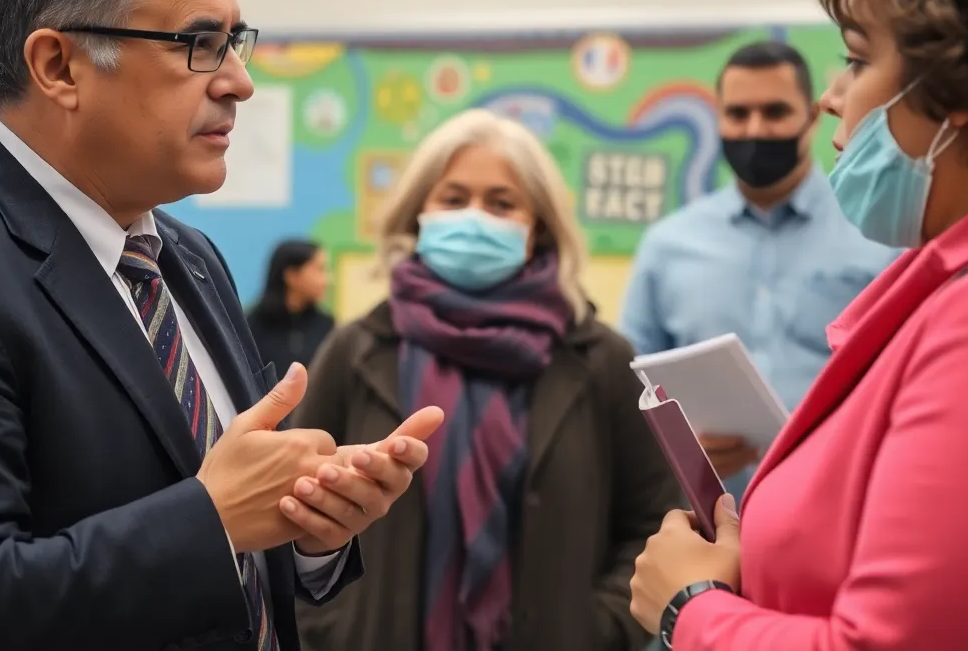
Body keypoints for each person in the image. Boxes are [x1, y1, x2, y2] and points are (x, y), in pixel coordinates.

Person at [0, 0, 444, 651]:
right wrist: (212, 517)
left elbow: (236, 548)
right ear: (59, 66)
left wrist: (309, 528)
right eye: (198, 44)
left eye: (237, 41)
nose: (238, 80)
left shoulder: (185, 258)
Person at [629, 0, 968, 651]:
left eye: (858, 61)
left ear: (954, 91)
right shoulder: (962, 275)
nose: (834, 97)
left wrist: (688, 607)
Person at [291, 108, 679, 651]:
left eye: (501, 203)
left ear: (536, 224)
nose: (475, 217)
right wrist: (331, 630)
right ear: (418, 211)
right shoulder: (357, 351)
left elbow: (654, 520)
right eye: (453, 198)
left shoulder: (599, 358)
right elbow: (296, 512)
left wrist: (599, 629)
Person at [619, 41, 899, 499]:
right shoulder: (666, 245)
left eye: (774, 112)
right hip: (706, 521)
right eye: (738, 114)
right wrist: (679, 444)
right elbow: (629, 392)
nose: (755, 129)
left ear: (811, 118)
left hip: (840, 505)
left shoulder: (876, 229)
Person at [246, 239, 336, 379]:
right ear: (291, 275)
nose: (327, 280)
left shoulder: (326, 325)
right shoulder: (250, 326)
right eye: (319, 269)